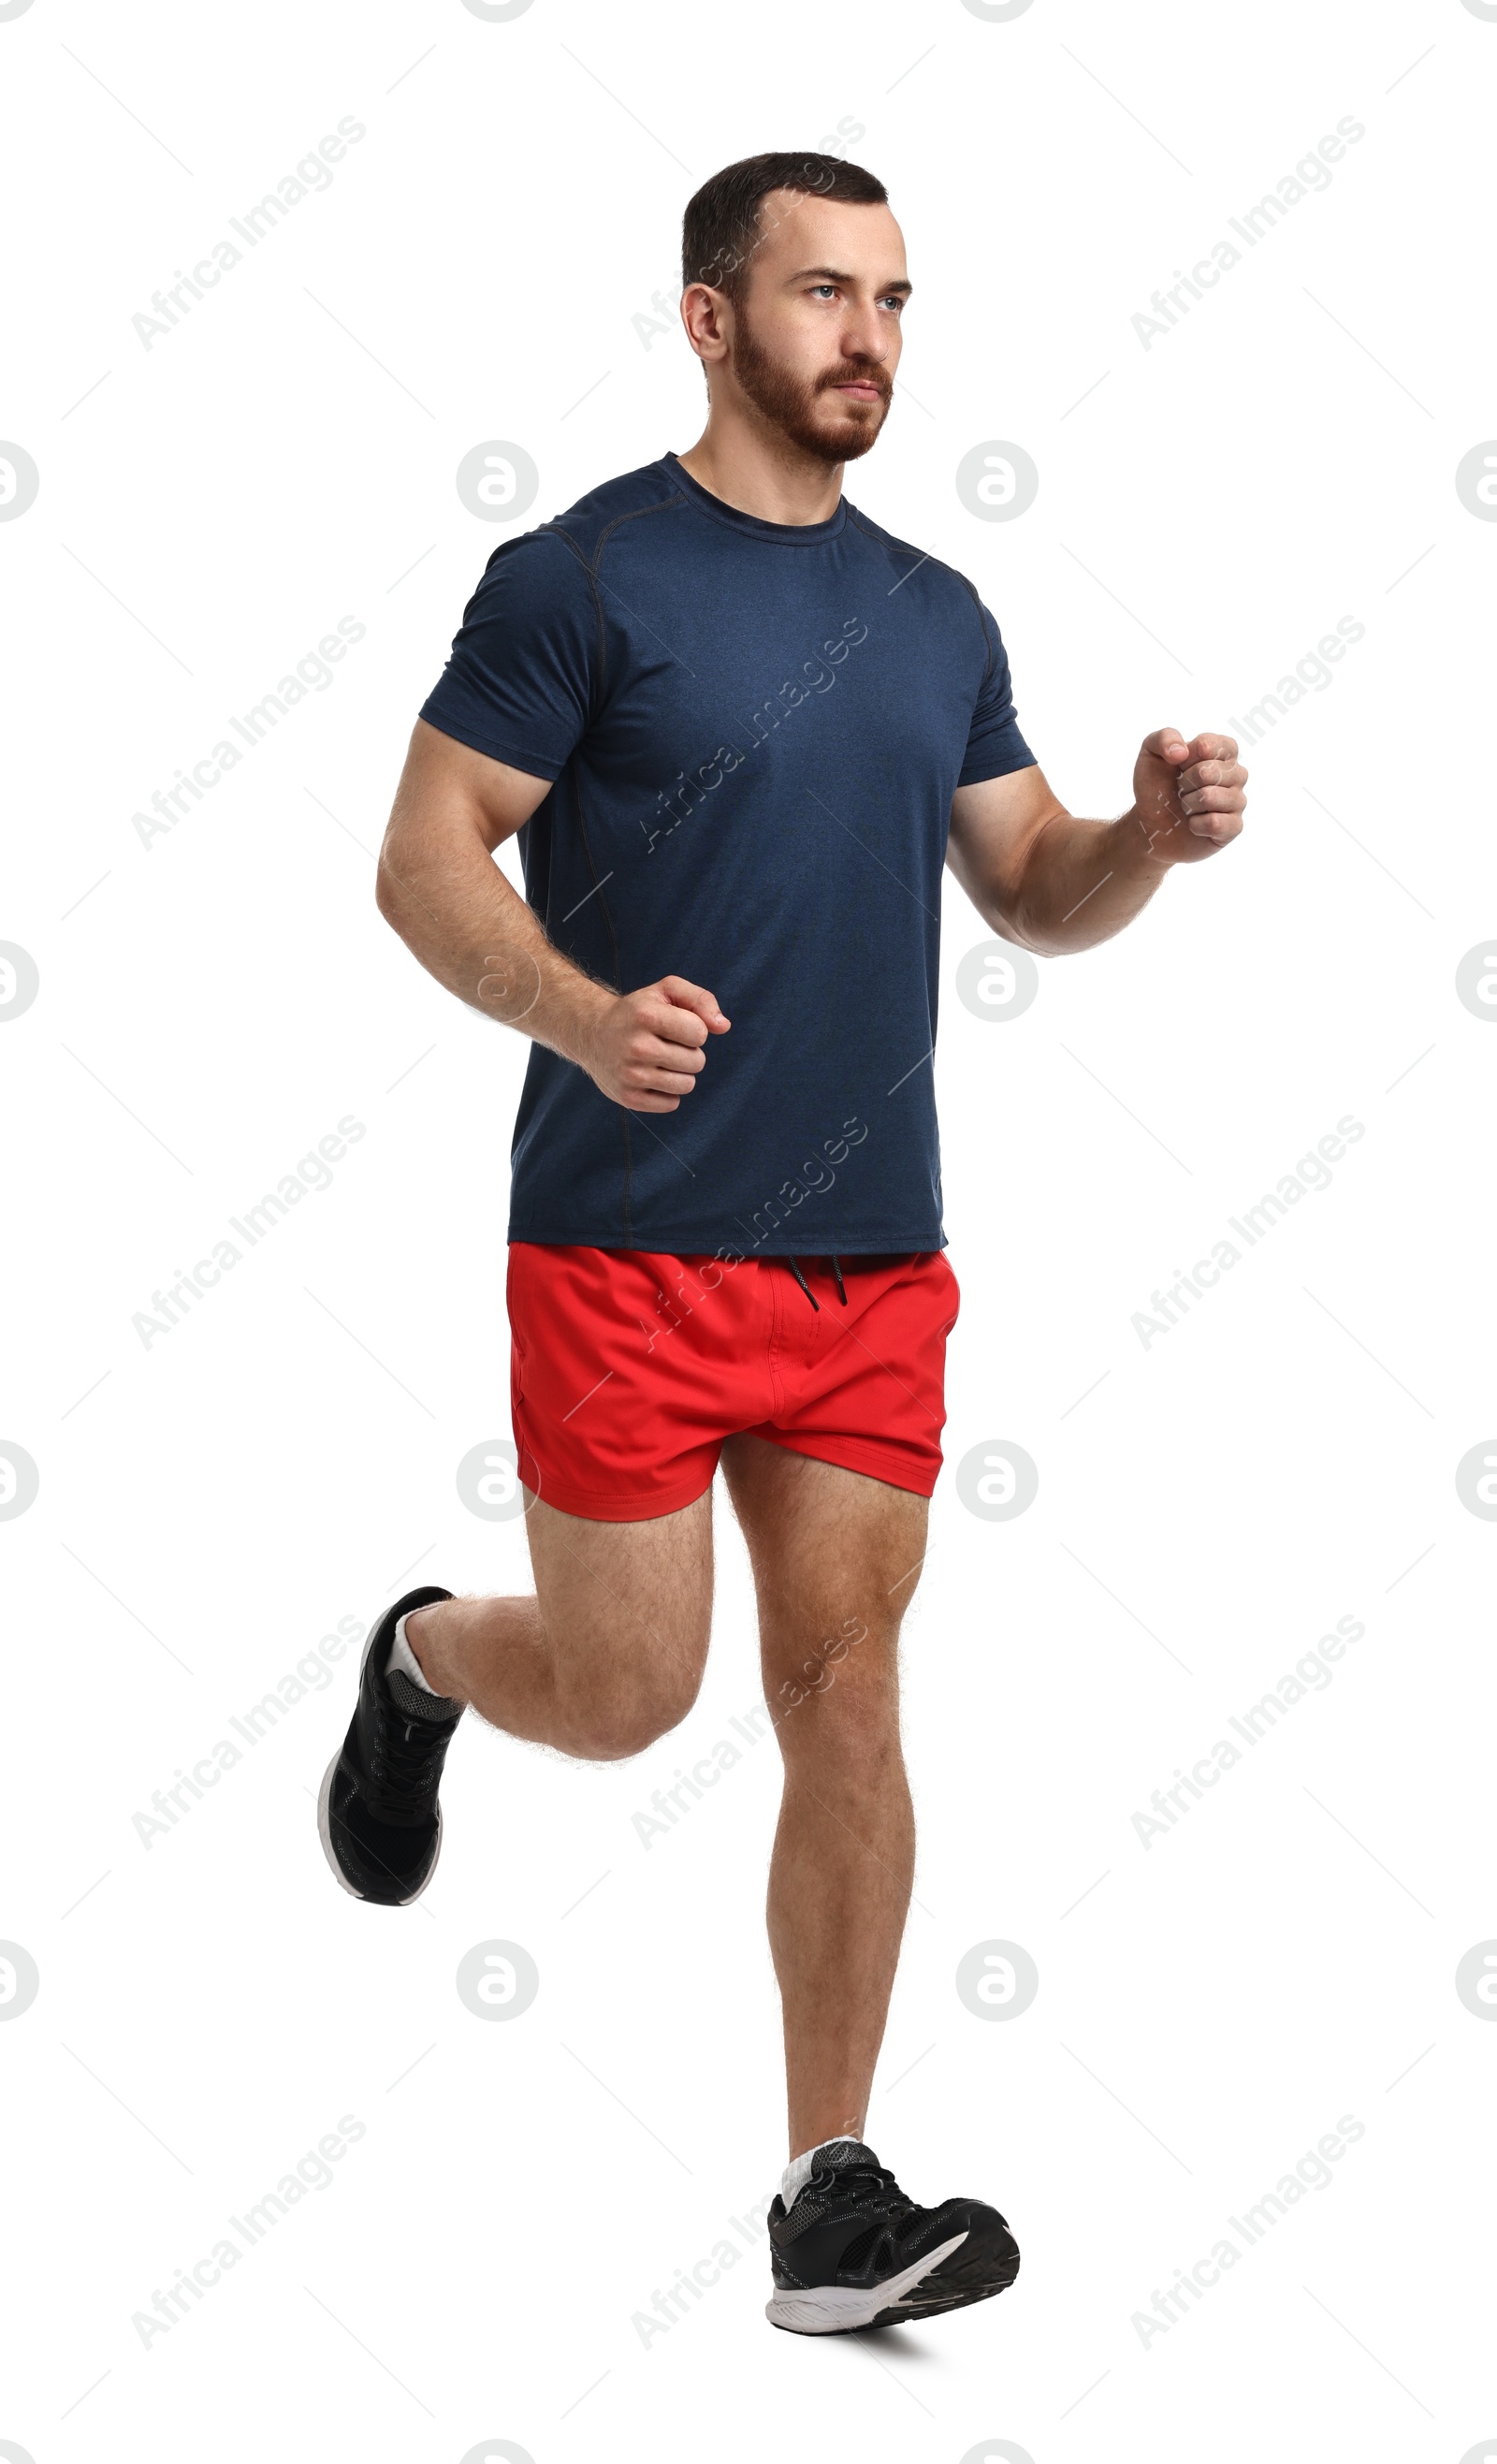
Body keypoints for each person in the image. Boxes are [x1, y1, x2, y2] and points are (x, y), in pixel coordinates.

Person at [318, 149, 1247, 2335]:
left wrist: (1140, 838)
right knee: (630, 1695)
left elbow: (1026, 886)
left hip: (867, 1266)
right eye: (825, 295)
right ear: (709, 320)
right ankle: (422, 1657)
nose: (870, 341)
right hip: (625, 1253)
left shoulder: (934, 614)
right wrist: (571, 1006)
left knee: (842, 1691)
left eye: (900, 302)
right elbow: (423, 854)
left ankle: (825, 2198)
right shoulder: (580, 579)